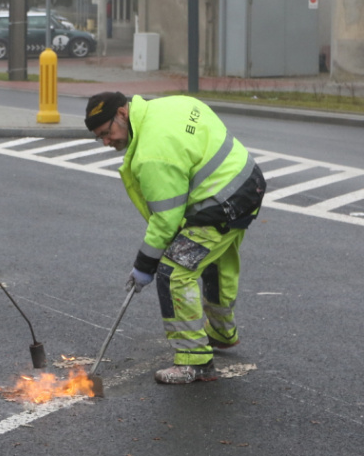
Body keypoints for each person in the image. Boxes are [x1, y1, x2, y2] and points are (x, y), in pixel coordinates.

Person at [85, 91, 265, 385]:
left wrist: (145, 264)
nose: (107, 141)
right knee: (214, 261)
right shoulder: (167, 106)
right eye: (99, 137)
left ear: (123, 113)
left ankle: (195, 362)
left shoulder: (152, 154)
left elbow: (166, 218)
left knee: (174, 270)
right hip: (248, 182)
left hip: (221, 201)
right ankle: (221, 333)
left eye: (107, 132)